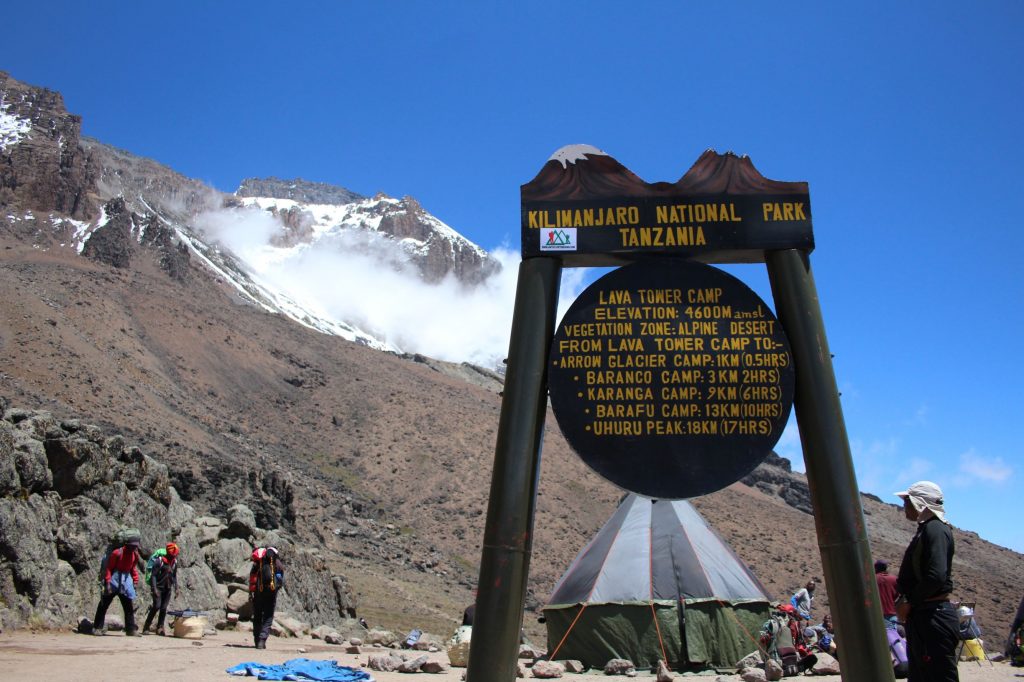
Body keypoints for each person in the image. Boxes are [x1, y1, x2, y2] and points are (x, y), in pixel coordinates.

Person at [895, 481, 959, 682]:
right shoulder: (928, 529)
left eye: (908, 501)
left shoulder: (935, 529)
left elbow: (937, 575)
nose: (904, 506)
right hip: (924, 615)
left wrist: (911, 601)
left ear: (919, 503)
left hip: (932, 616)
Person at [93, 538, 142, 636]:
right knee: (103, 605)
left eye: (135, 546)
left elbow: (133, 568)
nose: (134, 548)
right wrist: (107, 583)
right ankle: (97, 627)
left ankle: (130, 629)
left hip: (126, 582)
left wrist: (135, 580)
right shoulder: (117, 553)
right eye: (132, 546)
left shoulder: (134, 555)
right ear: (127, 544)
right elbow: (109, 568)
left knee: (128, 606)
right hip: (114, 581)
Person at [249, 546, 285, 649]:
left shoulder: (258, 562)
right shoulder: (276, 562)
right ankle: (262, 640)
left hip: (258, 592)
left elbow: (252, 577)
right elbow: (280, 578)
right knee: (268, 616)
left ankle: (257, 640)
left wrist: (251, 592)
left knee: (257, 615)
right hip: (271, 592)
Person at [143, 542, 179, 635]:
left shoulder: (174, 562)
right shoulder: (159, 561)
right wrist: (154, 589)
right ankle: (146, 626)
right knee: (156, 606)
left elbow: (174, 576)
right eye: (172, 555)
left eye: (174, 555)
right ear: (167, 553)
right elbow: (153, 576)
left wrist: (176, 588)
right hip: (158, 587)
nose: (173, 557)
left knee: (163, 608)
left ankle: (160, 627)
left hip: (168, 588)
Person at [875, 559, 900, 629]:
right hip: (892, 614)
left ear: (875, 568)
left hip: (877, 615)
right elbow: (899, 595)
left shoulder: (872, 579)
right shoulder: (894, 579)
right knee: (893, 637)